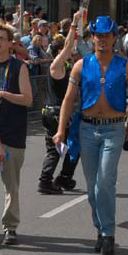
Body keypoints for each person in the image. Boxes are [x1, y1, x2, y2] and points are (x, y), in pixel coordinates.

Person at [53, 16, 128, 255]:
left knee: (105, 181)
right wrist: (61, 129)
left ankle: (108, 233)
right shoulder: (81, 65)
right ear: (92, 37)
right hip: (87, 129)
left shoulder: (125, 65)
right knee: (92, 186)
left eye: (107, 35)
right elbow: (68, 99)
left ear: (115, 37)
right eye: (98, 35)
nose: (102, 39)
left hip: (114, 128)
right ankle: (100, 229)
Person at [0, 24, 33, 246]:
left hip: (12, 134)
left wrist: (4, 94)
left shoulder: (19, 66)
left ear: (10, 43)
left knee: (10, 185)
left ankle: (10, 228)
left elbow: (28, 99)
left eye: (1, 38)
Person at [38, 11, 82, 194]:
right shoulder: (56, 65)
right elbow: (69, 44)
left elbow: (74, 45)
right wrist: (74, 23)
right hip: (54, 113)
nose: (71, 53)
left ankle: (64, 176)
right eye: (67, 51)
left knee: (74, 146)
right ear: (59, 52)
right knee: (55, 149)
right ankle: (45, 181)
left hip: (59, 113)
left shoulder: (66, 67)